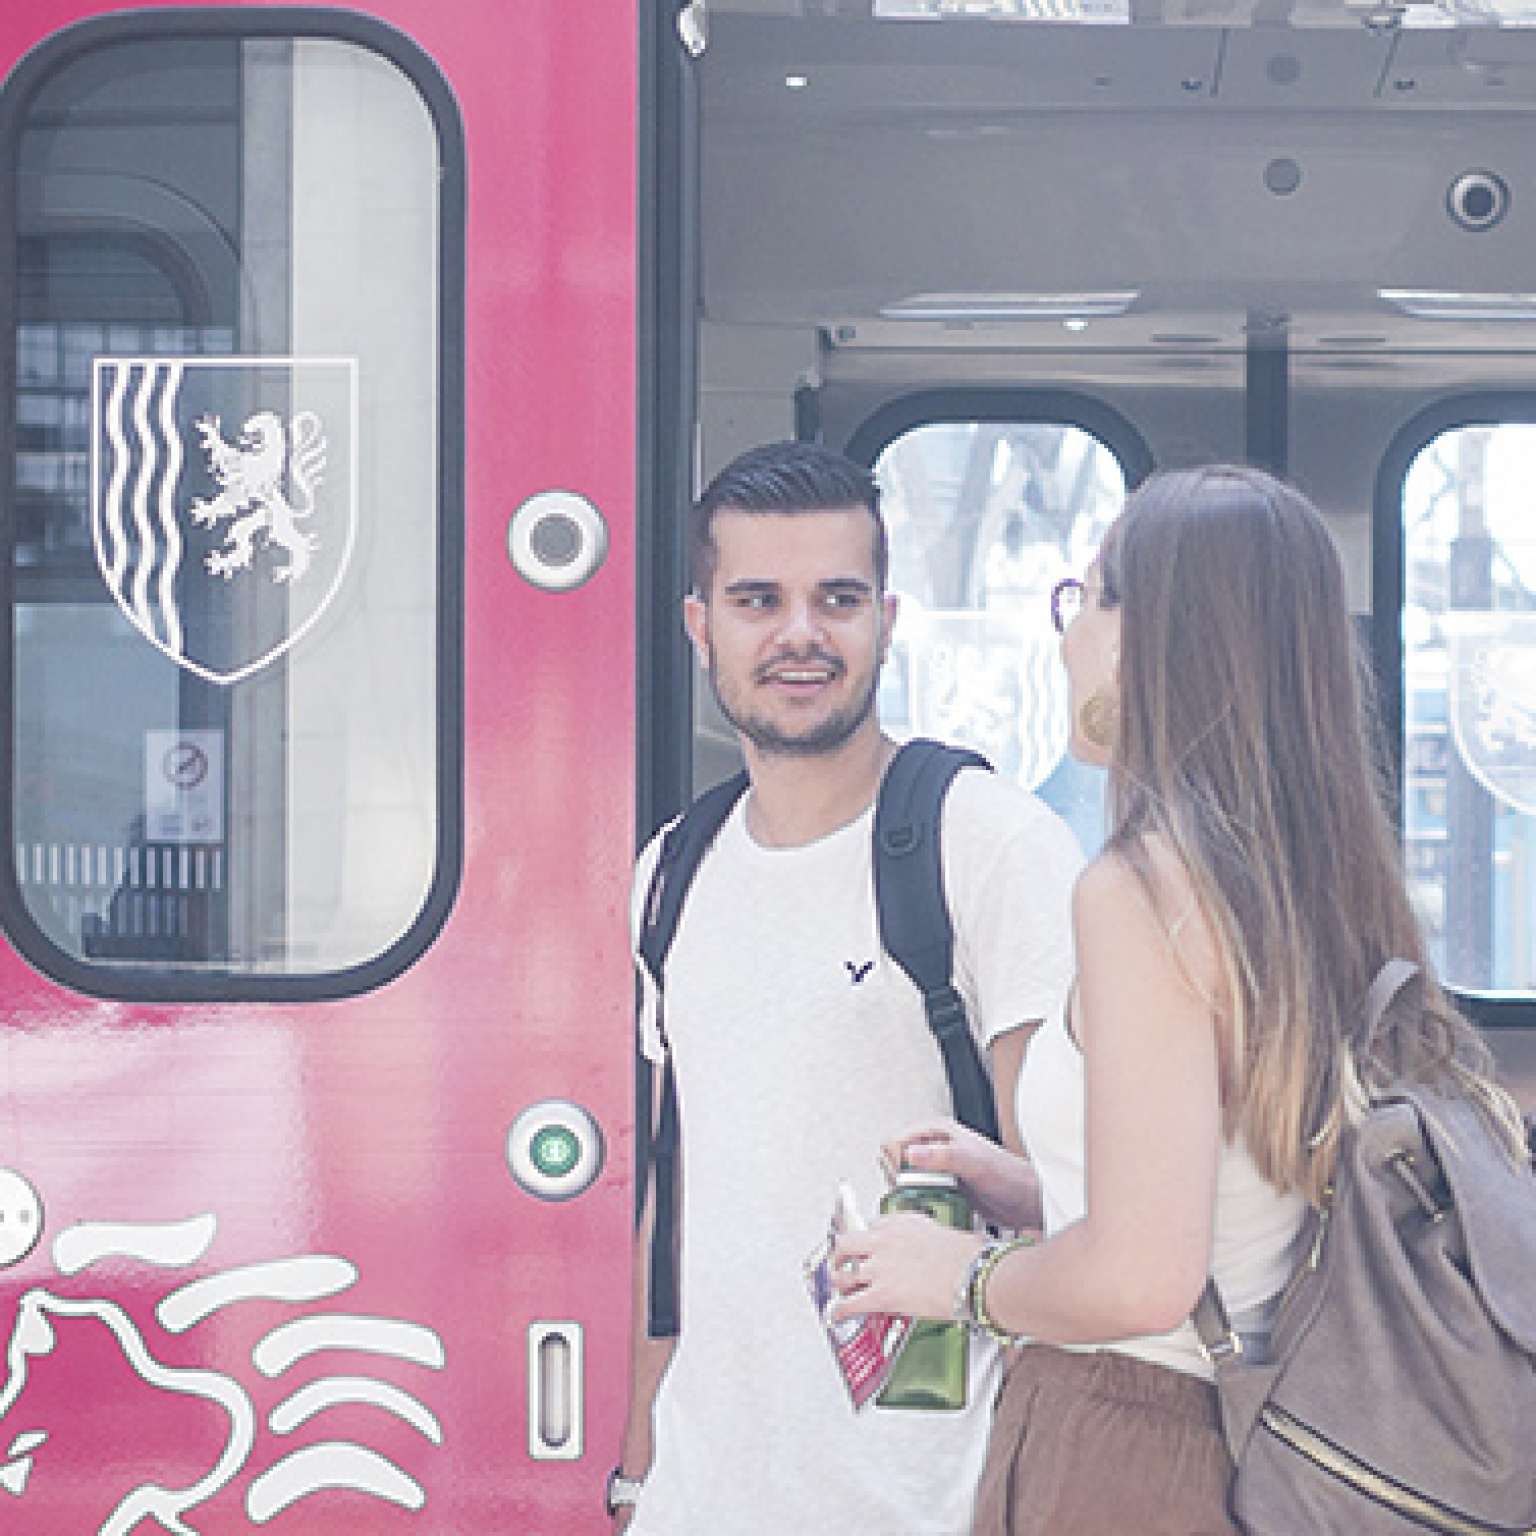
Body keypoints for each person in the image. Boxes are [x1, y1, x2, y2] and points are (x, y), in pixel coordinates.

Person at [830, 465, 1528, 1535]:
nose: (1066, 638)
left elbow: (1143, 1281)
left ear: (1155, 638)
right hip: (1261, 1431)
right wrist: (1039, 1191)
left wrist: (961, 1274)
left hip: (1131, 1441)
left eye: (1089, 597)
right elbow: (1239, 1195)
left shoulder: (1140, 891)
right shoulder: (1311, 880)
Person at [611, 441, 1082, 1535]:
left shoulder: (986, 842)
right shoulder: (672, 871)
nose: (800, 635)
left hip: (933, 1502)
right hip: (706, 1499)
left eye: (839, 599)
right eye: (757, 600)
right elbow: (675, 1191)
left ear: (889, 619)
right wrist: (640, 1469)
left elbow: (1078, 1204)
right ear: (701, 626)